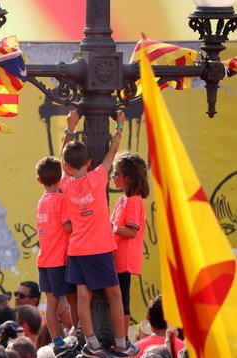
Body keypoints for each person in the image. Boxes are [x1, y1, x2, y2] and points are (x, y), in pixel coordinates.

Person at [60, 110, 137, 356]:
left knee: (83, 296)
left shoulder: (66, 184)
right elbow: (112, 152)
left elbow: (63, 160)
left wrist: (70, 127)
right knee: (114, 294)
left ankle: (91, 343)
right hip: (101, 249)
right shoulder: (98, 177)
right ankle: (121, 342)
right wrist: (120, 126)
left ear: (67, 167)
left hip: (78, 250)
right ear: (89, 163)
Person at [34, 155, 78, 356]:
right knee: (73, 299)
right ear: (61, 177)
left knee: (51, 303)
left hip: (44, 261)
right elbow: (68, 226)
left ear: (38, 180)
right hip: (60, 260)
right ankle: (79, 335)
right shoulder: (62, 200)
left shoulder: (41, 202)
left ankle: (57, 341)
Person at [110, 152, 149, 334]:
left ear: (128, 178)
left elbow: (132, 232)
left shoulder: (133, 201)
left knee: (122, 299)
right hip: (116, 256)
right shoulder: (122, 200)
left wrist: (111, 228)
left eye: (117, 173)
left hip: (124, 260)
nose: (113, 176)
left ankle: (123, 338)